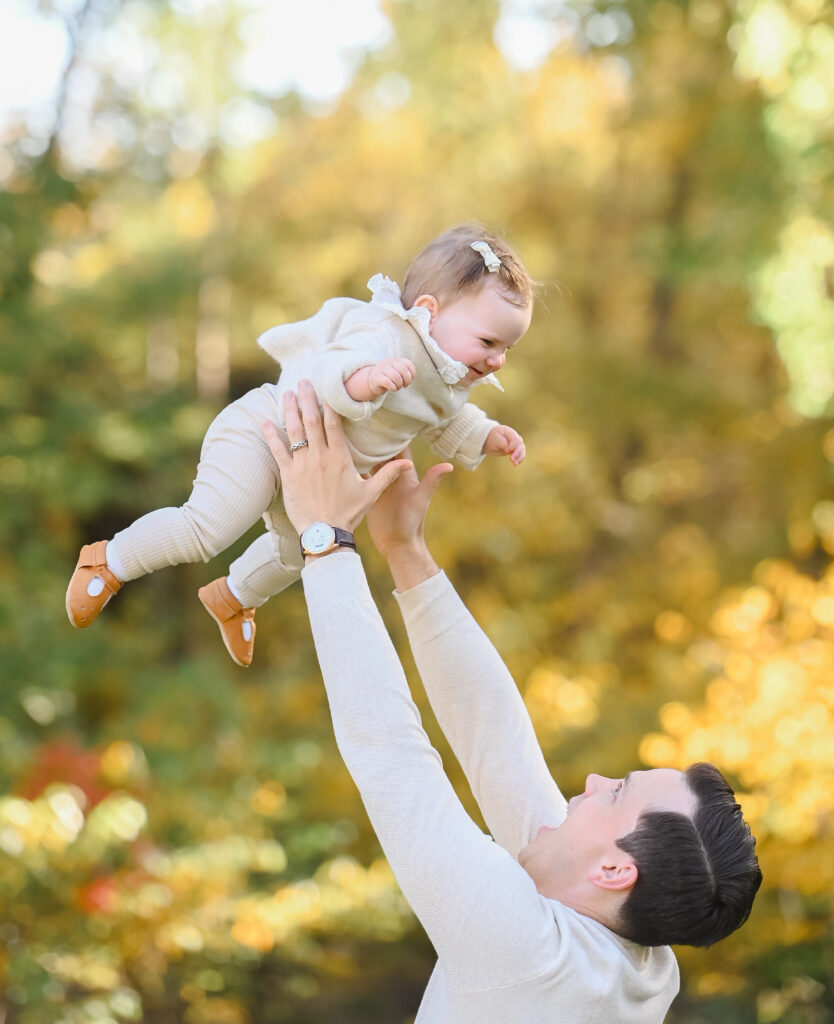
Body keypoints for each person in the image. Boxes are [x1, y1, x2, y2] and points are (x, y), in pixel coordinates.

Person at [263, 380, 763, 1023]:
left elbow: (393, 759)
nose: (591, 779)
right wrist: (405, 553)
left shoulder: (527, 954)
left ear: (614, 869)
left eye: (615, 794)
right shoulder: (643, 960)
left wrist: (325, 539)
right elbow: (494, 735)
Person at [65, 225, 533, 666]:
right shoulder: (384, 333)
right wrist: (366, 380)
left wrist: (487, 435)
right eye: (489, 341)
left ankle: (233, 597)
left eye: (507, 348)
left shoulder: (450, 380)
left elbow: (448, 419)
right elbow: (334, 371)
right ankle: (110, 560)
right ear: (429, 311)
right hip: (268, 434)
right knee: (208, 528)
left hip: (314, 477)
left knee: (299, 553)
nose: (497, 360)